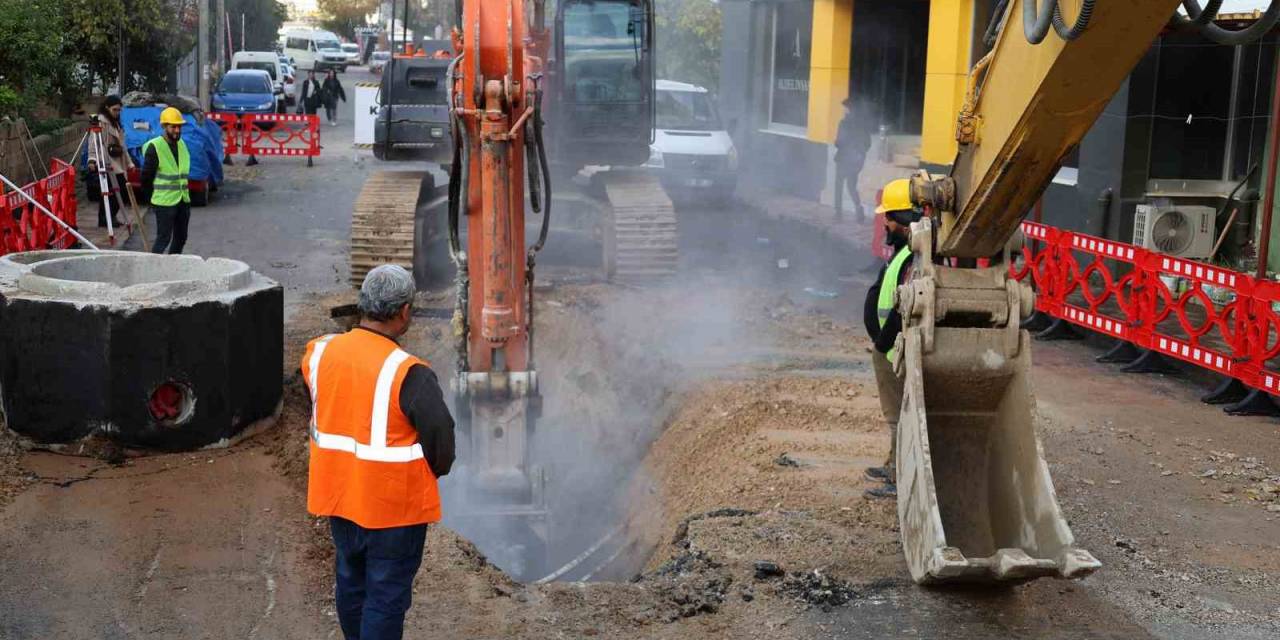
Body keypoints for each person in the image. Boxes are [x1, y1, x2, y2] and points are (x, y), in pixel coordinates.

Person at [302, 264, 456, 640]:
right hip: (393, 510)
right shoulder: (410, 373)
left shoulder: (319, 353)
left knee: (351, 584)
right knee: (385, 598)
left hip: (339, 497)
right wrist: (433, 470)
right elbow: (441, 438)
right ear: (404, 312)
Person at [860, 178, 924, 500]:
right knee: (894, 414)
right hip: (888, 348)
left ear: (900, 218)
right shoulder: (902, 251)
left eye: (887, 216)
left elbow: (903, 307)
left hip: (893, 350)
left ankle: (899, 478)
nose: (883, 221)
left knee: (898, 414)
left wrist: (883, 344)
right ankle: (892, 464)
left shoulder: (913, 257)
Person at [140, 107, 192, 254]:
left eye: (179, 126)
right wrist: (149, 198)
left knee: (181, 238)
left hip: (183, 199)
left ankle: (172, 266)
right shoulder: (155, 147)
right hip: (164, 202)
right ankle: (154, 269)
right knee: (164, 239)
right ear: (164, 127)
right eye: (173, 126)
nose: (177, 130)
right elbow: (146, 178)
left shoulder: (181, 144)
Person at [91, 95, 134, 228]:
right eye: (115, 110)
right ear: (107, 108)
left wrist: (129, 163)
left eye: (119, 110)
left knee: (117, 192)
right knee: (111, 192)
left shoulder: (116, 123)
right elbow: (94, 142)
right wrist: (92, 160)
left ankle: (109, 217)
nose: (117, 113)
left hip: (117, 160)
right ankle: (105, 218)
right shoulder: (101, 123)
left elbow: (123, 145)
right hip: (107, 161)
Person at [834, 97, 873, 223]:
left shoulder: (844, 123)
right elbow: (868, 143)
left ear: (849, 109)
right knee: (851, 186)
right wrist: (860, 154)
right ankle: (858, 209)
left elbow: (840, 141)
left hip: (844, 159)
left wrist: (838, 143)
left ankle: (838, 213)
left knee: (838, 185)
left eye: (845, 107)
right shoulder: (863, 123)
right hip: (856, 160)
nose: (843, 110)